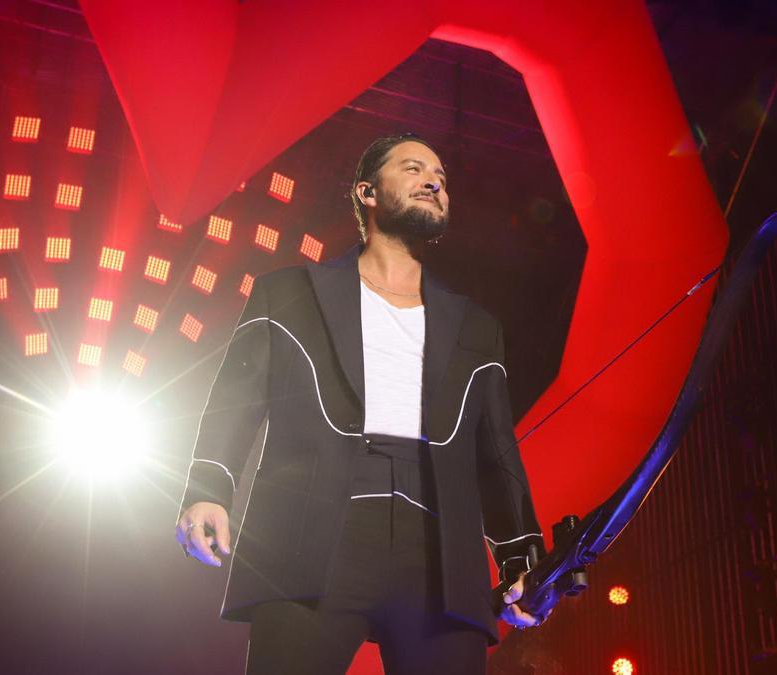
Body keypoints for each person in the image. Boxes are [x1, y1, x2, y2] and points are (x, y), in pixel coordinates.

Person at [175, 134, 546, 675]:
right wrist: (209, 488)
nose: (434, 181)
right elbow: (238, 393)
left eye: (441, 176)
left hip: (441, 550)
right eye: (415, 168)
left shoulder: (476, 327)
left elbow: (495, 452)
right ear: (367, 192)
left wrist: (521, 553)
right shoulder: (288, 292)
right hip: (313, 531)